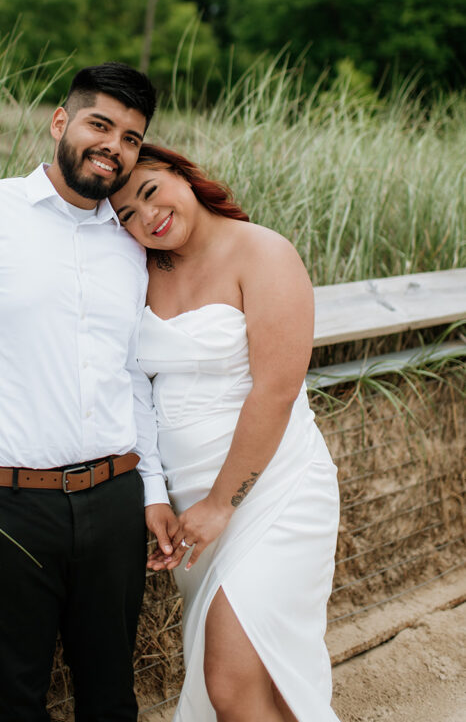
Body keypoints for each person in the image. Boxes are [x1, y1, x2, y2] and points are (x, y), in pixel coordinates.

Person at [0, 63, 179, 722]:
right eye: (100, 124)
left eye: (132, 138)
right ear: (61, 123)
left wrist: (155, 489)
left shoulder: (130, 244)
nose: (114, 146)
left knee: (113, 698)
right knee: (16, 702)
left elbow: (133, 374)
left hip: (114, 501)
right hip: (5, 507)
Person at [111, 144, 341, 722]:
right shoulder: (139, 273)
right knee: (266, 678)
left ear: (182, 174)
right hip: (190, 502)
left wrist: (220, 503)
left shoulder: (262, 252)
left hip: (273, 490)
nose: (148, 218)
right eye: (127, 217)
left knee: (229, 680)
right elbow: (133, 387)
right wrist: (158, 494)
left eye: (149, 190)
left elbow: (277, 390)